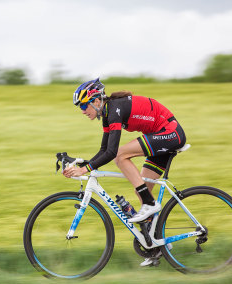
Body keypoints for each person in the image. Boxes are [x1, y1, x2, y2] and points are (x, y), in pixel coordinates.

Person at [63, 78, 186, 265]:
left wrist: (85, 170)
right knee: (141, 187)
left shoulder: (114, 111)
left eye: (83, 106)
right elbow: (104, 150)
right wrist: (83, 163)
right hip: (160, 136)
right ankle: (157, 246)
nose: (82, 111)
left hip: (170, 133)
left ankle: (149, 204)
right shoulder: (107, 114)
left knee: (121, 157)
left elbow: (112, 153)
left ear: (96, 101)